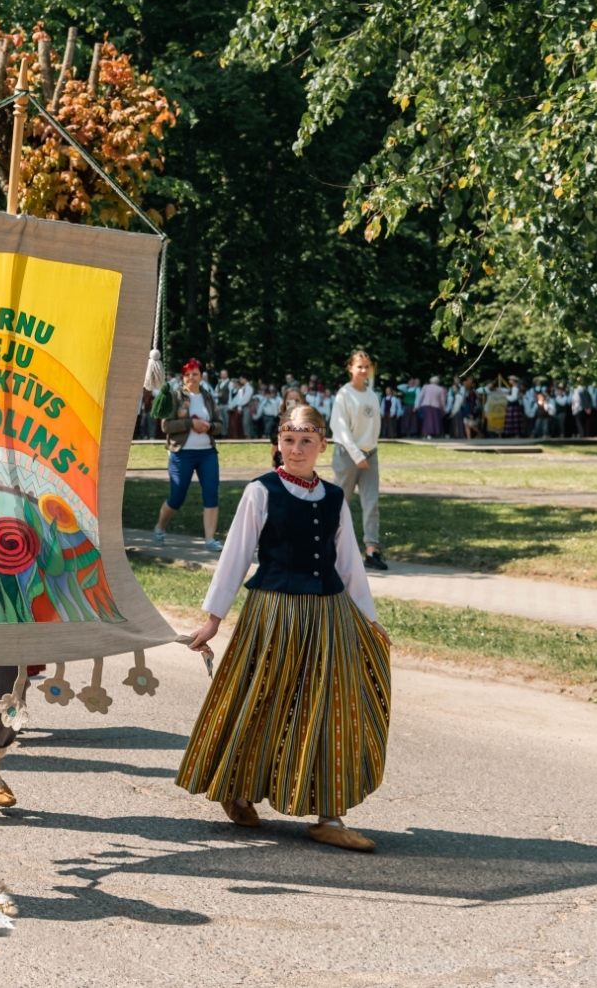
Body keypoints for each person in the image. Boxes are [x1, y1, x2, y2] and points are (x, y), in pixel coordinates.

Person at [177, 403, 392, 851]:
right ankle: (237, 790)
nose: (296, 450)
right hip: (272, 612)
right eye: (289, 440)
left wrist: (370, 620)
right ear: (278, 444)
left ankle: (329, 815)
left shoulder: (334, 497)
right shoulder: (261, 491)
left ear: (321, 446)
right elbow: (235, 556)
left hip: (328, 615)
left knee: (330, 707)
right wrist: (214, 619)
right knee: (260, 697)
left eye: (306, 441)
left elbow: (349, 562)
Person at [152, 359, 223, 553]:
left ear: (201, 376)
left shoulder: (208, 397)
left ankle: (210, 539)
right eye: (187, 374)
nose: (191, 378)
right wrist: (192, 424)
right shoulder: (175, 397)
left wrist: (210, 427)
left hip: (207, 453)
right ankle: (160, 527)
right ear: (182, 377)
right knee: (177, 497)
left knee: (211, 495)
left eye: (195, 374)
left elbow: (220, 424)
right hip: (181, 454)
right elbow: (166, 426)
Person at [330, 350, 387, 571]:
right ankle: (332, 548)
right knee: (340, 502)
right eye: (359, 366)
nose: (364, 370)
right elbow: (340, 428)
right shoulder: (344, 395)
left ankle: (371, 550)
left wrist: (369, 450)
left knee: (371, 502)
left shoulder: (372, 395)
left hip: (369, 454)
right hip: (347, 454)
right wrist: (356, 454)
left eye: (367, 366)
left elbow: (375, 427)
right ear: (350, 368)